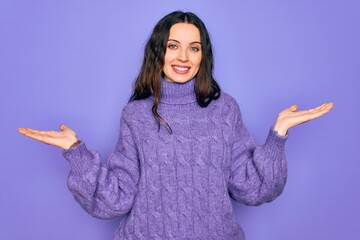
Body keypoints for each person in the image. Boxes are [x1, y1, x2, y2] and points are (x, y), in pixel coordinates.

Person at [18, 11, 333, 240]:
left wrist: (278, 135)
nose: (184, 56)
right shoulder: (136, 115)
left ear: (202, 55)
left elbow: (249, 188)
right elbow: (116, 198)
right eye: (173, 46)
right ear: (159, 51)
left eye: (194, 48)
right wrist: (76, 151)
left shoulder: (225, 109)